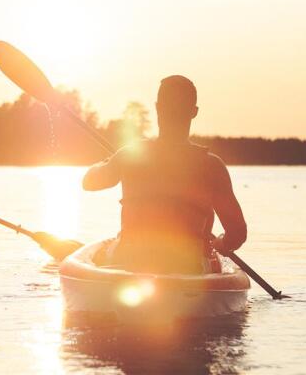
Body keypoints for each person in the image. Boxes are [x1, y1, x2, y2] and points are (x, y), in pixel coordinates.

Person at [82, 75, 247, 274]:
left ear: (158, 107)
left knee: (105, 253)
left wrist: (107, 163)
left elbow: (88, 182)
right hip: (188, 267)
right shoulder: (211, 166)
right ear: (193, 112)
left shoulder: (130, 155)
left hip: (130, 260)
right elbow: (237, 234)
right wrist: (221, 244)